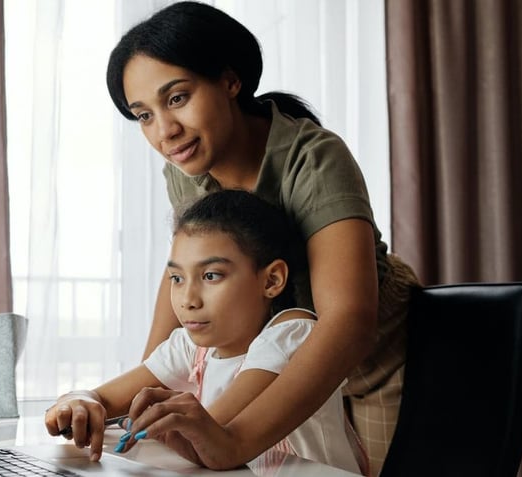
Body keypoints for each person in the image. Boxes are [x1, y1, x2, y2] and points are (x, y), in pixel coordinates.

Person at [103, 2, 421, 476]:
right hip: (274, 354)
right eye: (143, 115)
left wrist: (233, 440)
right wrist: (142, 394)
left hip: (371, 355)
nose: (164, 131)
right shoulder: (184, 170)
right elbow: (184, 272)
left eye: (176, 99)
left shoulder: (313, 158)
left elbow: (349, 320)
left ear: (230, 81)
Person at [45, 190, 362, 474]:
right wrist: (77, 402)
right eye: (177, 278)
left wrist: (144, 419)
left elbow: (212, 434)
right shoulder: (192, 348)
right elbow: (103, 397)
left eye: (211, 276)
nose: (188, 300)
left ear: (271, 280)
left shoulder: (292, 334)